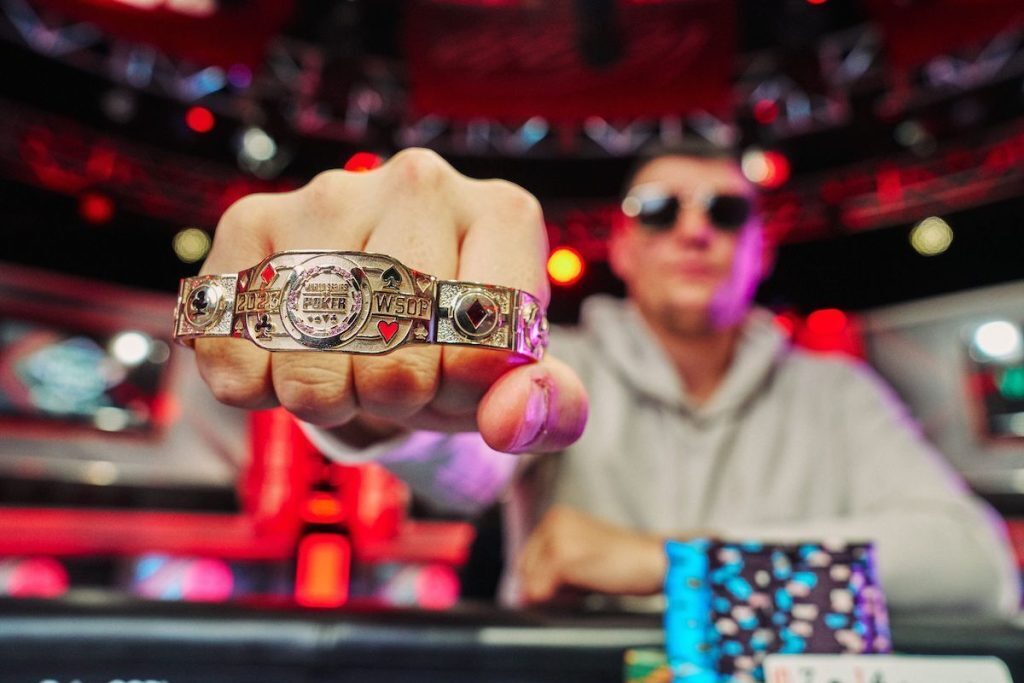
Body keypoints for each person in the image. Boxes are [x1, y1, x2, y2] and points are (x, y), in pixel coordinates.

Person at [193, 145, 1021, 615]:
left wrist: (675, 565)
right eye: (660, 211)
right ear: (622, 249)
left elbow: (975, 567)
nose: (695, 231)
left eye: (726, 213)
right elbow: (459, 465)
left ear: (758, 250)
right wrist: (382, 405)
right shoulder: (559, 360)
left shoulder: (838, 393)